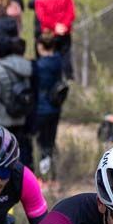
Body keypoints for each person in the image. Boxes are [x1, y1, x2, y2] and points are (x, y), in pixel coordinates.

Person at [0, 36, 34, 169]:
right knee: (19, 153)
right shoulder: (27, 68)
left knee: (0, 158)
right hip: (20, 117)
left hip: (0, 120)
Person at [33, 0, 76, 80]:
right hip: (64, 33)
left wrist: (54, 27)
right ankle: (68, 81)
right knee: (65, 57)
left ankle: (52, 81)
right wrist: (63, 26)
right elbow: (71, 14)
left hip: (49, 35)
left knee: (49, 58)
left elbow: (42, 17)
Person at [33, 35, 65, 177]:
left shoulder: (40, 66)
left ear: (40, 47)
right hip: (55, 107)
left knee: (41, 143)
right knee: (50, 141)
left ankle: (44, 175)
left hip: (42, 108)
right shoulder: (58, 61)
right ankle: (52, 174)